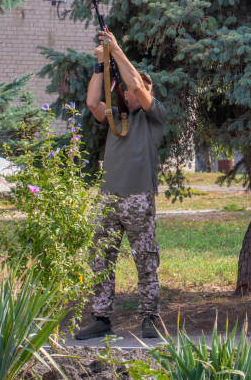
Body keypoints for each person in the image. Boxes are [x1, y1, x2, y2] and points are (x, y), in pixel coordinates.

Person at [75, 29, 168, 340]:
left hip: (139, 198)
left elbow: (138, 84)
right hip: (108, 198)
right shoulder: (116, 117)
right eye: (129, 90)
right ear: (123, 93)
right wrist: (101, 64)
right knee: (101, 258)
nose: (136, 92)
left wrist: (116, 51)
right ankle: (101, 317)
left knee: (145, 259)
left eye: (140, 90)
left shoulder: (154, 118)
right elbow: (91, 102)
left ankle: (150, 318)